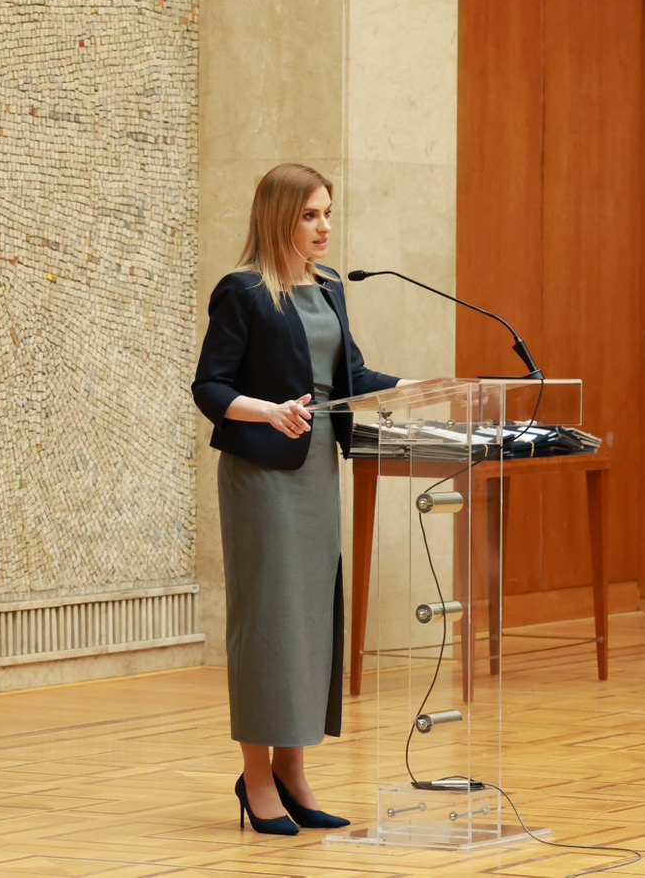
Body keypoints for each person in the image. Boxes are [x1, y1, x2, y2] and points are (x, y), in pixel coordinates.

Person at [192, 162, 404, 835]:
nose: (324, 226)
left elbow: (351, 374)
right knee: (268, 622)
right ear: (279, 216)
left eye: (328, 213)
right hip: (261, 474)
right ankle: (257, 779)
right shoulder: (244, 291)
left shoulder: (331, 287)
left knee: (308, 620)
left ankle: (293, 772)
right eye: (311, 214)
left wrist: (418, 386)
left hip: (316, 472)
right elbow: (210, 386)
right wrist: (268, 411)